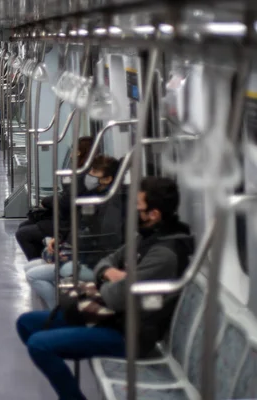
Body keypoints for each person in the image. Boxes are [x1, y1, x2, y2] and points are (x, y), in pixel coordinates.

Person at [16, 176, 194, 400]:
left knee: (39, 345)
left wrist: (110, 280)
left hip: (129, 333)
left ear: (154, 214)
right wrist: (111, 275)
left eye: (138, 208)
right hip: (112, 317)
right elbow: (107, 261)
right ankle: (73, 344)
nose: (133, 213)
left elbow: (116, 297)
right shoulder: (147, 238)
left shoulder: (163, 254)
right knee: (26, 323)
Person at [22, 155, 124, 308]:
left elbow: (102, 242)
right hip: (82, 253)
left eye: (95, 172)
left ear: (107, 179)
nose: (90, 175)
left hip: (92, 262)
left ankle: (55, 312)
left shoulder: (109, 205)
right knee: (29, 267)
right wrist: (62, 240)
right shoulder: (92, 196)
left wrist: (67, 253)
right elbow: (79, 227)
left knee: (34, 275)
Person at [15, 136, 94, 260]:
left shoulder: (81, 176)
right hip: (66, 216)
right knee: (25, 225)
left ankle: (40, 263)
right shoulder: (79, 172)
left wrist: (46, 201)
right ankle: (43, 259)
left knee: (23, 234)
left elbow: (67, 201)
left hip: (70, 221)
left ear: (79, 152)